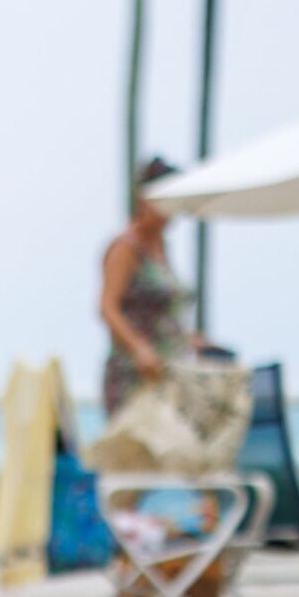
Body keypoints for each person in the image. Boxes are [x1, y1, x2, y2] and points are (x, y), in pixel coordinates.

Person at [98, 157, 199, 416]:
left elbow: (161, 310)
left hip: (171, 371)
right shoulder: (126, 247)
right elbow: (107, 307)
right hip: (135, 375)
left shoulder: (161, 246)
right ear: (146, 199)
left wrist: (187, 338)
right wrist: (139, 348)